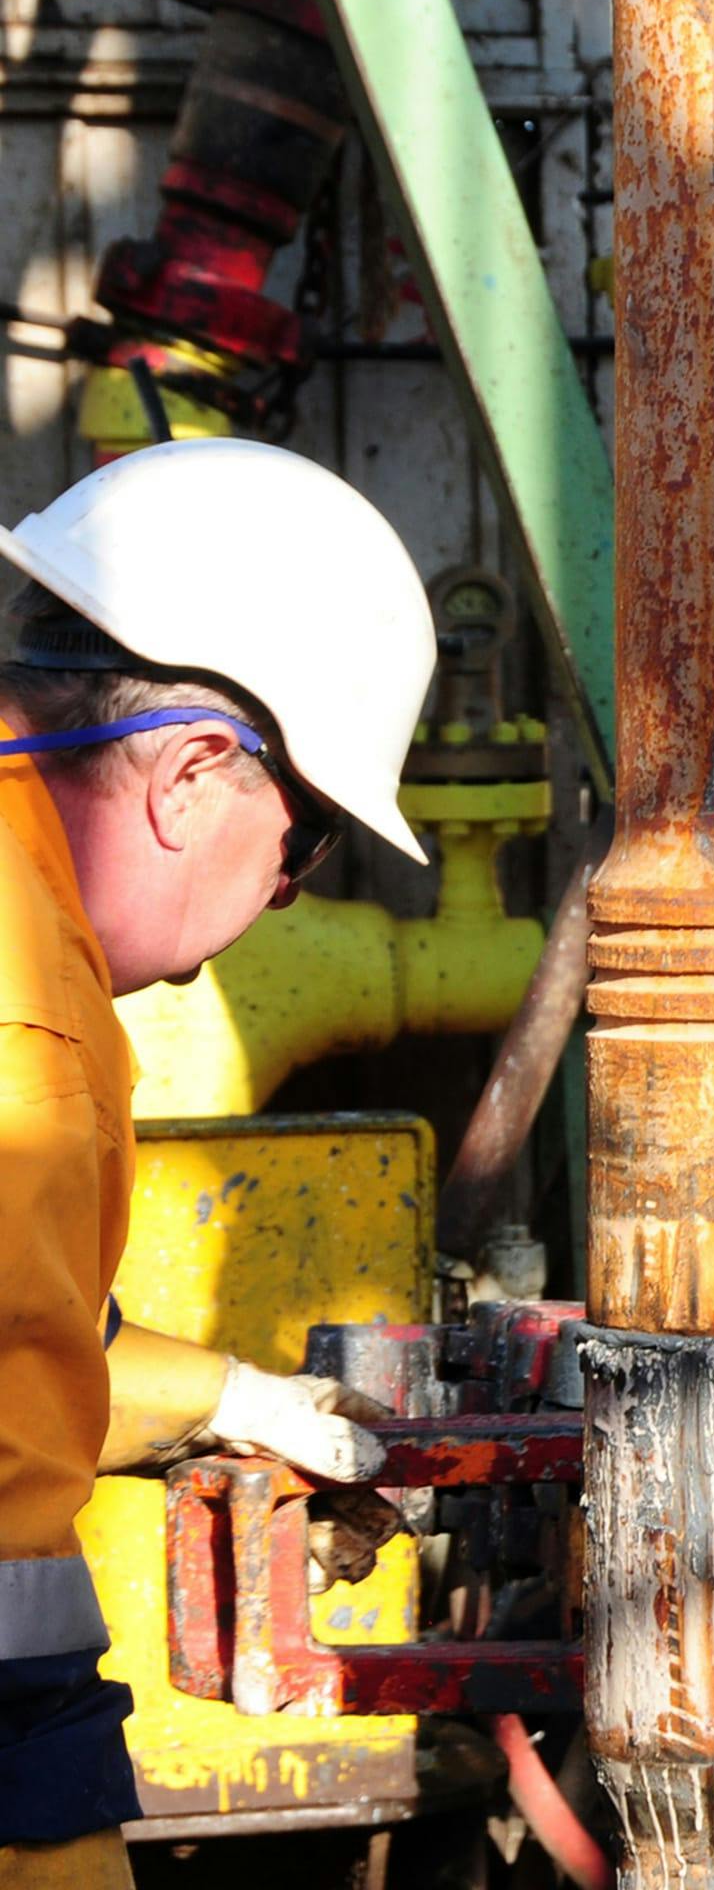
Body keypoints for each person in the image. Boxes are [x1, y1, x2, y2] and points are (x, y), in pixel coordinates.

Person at [0, 438, 439, 1884]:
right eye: (302, 841)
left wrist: (230, 1401)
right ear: (195, 776)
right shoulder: (28, 1029)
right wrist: (61, 1833)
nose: (280, 897)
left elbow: (29, 1344)